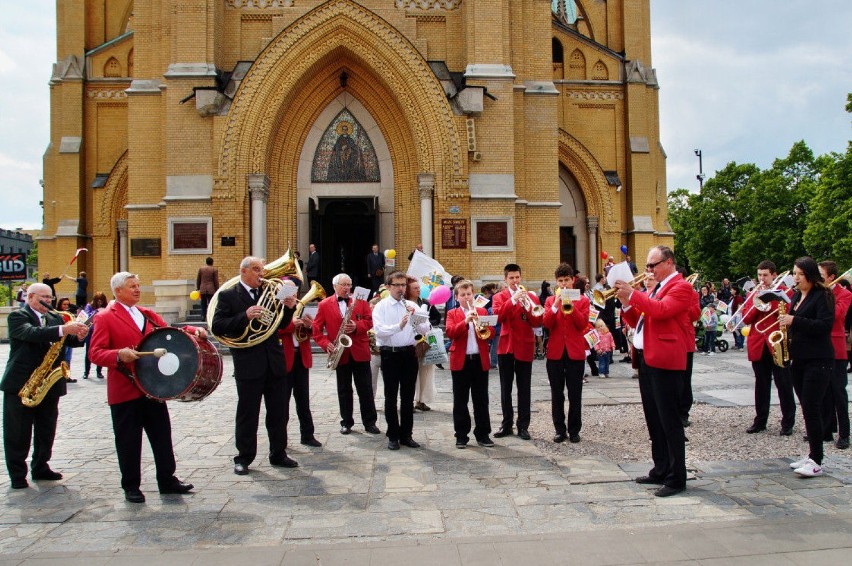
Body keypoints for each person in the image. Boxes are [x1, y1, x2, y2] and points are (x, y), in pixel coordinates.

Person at [88, 272, 200, 503]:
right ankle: (131, 486)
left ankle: (167, 480)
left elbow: (169, 332)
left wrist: (193, 331)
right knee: (128, 441)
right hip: (125, 390)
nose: (138, 290)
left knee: (162, 436)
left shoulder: (145, 313)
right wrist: (118, 354)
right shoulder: (105, 317)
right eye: (132, 287)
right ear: (118, 291)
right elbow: (95, 353)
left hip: (153, 388)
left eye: (139, 285)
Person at [615, 245, 693, 497]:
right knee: (654, 419)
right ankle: (660, 467)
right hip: (648, 359)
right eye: (647, 266)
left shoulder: (681, 287)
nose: (648, 270)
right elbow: (643, 319)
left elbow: (661, 311)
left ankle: (677, 477)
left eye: (652, 265)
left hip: (666, 361)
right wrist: (627, 304)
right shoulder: (658, 287)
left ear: (668, 263)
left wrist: (634, 294)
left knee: (669, 420)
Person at [210, 257, 298, 476]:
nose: (262, 274)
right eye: (257, 270)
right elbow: (218, 326)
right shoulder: (228, 295)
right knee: (248, 413)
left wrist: (288, 308)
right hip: (248, 364)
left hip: (274, 363)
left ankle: (278, 453)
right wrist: (244, 315)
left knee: (279, 412)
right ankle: (244, 458)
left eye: (262, 270)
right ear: (244, 271)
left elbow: (281, 325)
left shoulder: (269, 293)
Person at [2, 283, 88, 489]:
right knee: (18, 431)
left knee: (46, 428)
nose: (49, 302)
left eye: (50, 298)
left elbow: (68, 341)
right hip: (22, 383)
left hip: (49, 382)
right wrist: (62, 329)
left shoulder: (55, 317)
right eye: (44, 298)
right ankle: (17, 475)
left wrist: (79, 336)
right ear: (30, 297)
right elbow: (30, 333)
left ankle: (41, 466)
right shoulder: (18, 317)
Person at [780, 257, 835, 477]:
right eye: (794, 273)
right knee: (806, 407)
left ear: (810, 275)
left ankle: (817, 460)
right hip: (799, 358)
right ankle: (812, 453)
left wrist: (794, 321)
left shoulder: (823, 296)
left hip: (818, 358)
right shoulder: (795, 296)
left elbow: (824, 325)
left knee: (812, 408)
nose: (795, 278)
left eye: (800, 274)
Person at [312, 273, 380, 436]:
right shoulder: (324, 304)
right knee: (344, 389)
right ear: (335, 286)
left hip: (359, 351)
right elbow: (316, 329)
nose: (347, 288)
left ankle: (370, 422)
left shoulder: (360, 301)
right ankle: (346, 422)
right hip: (340, 352)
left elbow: (370, 321)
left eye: (349, 284)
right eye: (343, 285)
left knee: (365, 389)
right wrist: (325, 344)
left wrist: (357, 326)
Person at [372, 271, 431, 450]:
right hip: (390, 354)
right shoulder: (381, 306)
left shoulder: (412, 305)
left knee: (407, 396)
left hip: (408, 354)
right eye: (397, 285)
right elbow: (379, 331)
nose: (400, 288)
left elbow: (425, 329)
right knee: (391, 396)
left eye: (403, 285)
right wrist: (399, 326)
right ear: (389, 287)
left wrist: (416, 319)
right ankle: (393, 435)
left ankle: (407, 434)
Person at [742, 260, 797, 436]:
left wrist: (772, 300)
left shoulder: (785, 292)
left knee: (784, 384)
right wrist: (757, 302)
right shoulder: (753, 294)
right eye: (759, 275)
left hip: (777, 342)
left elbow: (789, 313)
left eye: (765, 275)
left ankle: (787, 422)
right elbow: (746, 318)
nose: (762, 279)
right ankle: (760, 420)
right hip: (758, 343)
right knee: (761, 384)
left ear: (774, 274)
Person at [492, 263, 543, 440]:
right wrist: (513, 300)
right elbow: (498, 317)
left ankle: (523, 426)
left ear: (520, 277)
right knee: (506, 389)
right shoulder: (499, 297)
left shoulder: (531, 297)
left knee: (524, 389)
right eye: (511, 278)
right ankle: (506, 425)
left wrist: (527, 306)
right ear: (505, 279)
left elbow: (537, 322)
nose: (515, 281)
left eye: (517, 277)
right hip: (506, 346)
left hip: (524, 346)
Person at [542, 263, 589, 443]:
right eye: (560, 281)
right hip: (555, 352)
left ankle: (574, 430)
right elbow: (546, 324)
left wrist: (571, 303)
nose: (563, 285)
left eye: (566, 281)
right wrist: (556, 303)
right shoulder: (549, 301)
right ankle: (559, 429)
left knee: (575, 393)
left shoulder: (583, 300)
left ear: (572, 280)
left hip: (575, 353)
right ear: (556, 282)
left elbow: (582, 324)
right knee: (557, 393)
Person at [446, 280, 495, 448]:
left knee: (481, 399)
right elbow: (451, 332)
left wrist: (481, 321)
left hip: (479, 360)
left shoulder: (481, 311)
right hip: (461, 361)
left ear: (473, 295)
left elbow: (490, 334)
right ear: (457, 297)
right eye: (463, 295)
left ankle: (483, 434)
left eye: (469, 294)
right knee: (460, 400)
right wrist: (466, 321)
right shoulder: (452, 313)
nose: (466, 297)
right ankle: (461, 435)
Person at [277, 279, 321, 448]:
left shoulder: (300, 307)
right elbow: (275, 330)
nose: (293, 295)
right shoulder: (276, 309)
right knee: (282, 402)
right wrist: (291, 325)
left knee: (303, 400)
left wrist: (310, 326)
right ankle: (281, 439)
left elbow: (310, 333)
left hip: (301, 358)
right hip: (284, 359)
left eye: (294, 292)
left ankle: (308, 435)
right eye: (289, 292)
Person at [817, 261, 850, 450]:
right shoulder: (818, 292)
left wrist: (825, 295)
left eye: (821, 276)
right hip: (819, 346)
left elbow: (836, 314)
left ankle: (844, 433)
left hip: (836, 348)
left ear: (831, 277)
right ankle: (826, 429)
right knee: (823, 392)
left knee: (838, 392)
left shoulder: (844, 294)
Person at [406, 276, 441, 411]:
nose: (418, 290)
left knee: (426, 371)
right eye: (415, 288)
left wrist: (429, 324)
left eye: (419, 287)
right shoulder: (405, 304)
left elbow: (437, 317)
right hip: (412, 341)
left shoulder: (425, 302)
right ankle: (412, 399)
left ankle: (422, 399)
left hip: (426, 339)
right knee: (412, 372)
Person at [82, 292, 108, 379]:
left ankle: (99, 371)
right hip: (91, 332)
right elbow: (87, 317)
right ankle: (86, 372)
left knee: (100, 351)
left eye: (101, 301)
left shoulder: (106, 307)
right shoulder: (89, 306)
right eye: (98, 301)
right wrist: (97, 311)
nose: (100, 303)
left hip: (101, 331)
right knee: (88, 352)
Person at [55, 298, 78, 383]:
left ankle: (67, 376)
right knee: (62, 358)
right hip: (61, 339)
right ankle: (61, 376)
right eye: (64, 304)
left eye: (68, 304)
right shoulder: (57, 314)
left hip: (69, 338)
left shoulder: (69, 314)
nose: (66, 306)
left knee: (68, 359)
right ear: (60, 305)